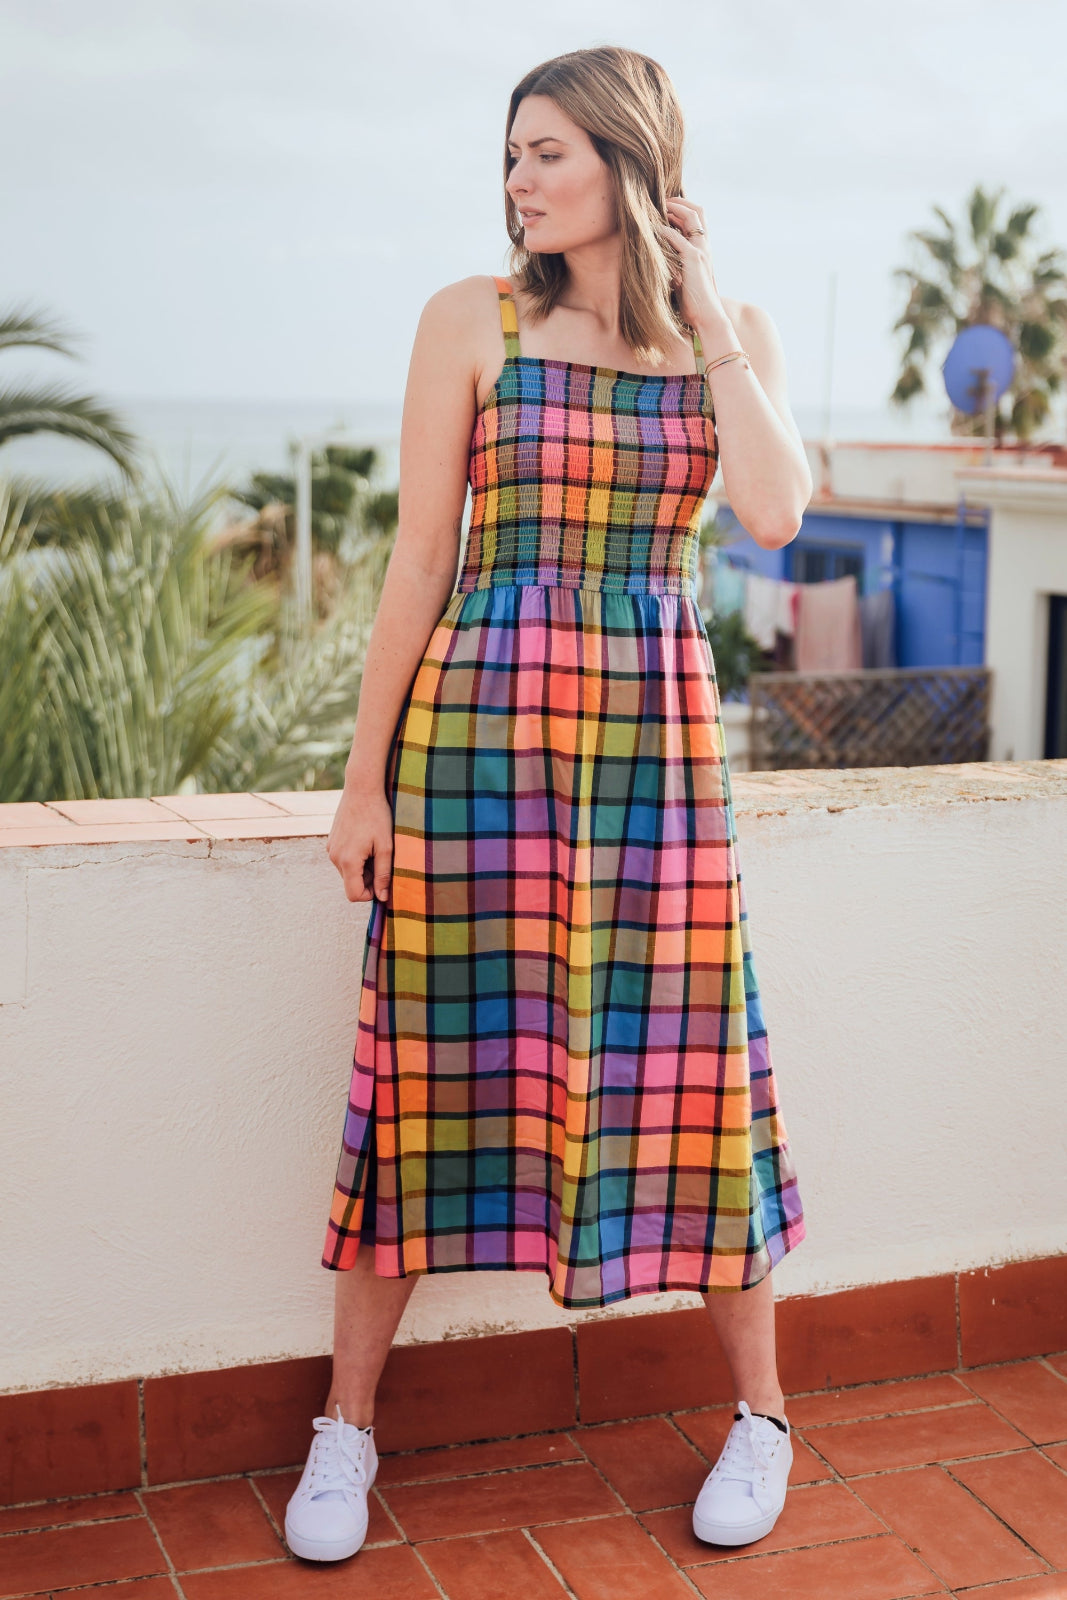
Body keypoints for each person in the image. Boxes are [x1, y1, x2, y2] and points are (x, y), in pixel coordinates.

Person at [284, 44, 812, 1567]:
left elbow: (774, 511)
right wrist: (363, 781)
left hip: (653, 763)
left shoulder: (728, 333)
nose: (518, 180)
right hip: (474, 757)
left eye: (549, 152)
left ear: (629, 164)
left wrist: (706, 311)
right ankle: (347, 1426)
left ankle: (763, 1416)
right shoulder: (474, 319)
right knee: (422, 1068)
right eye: (510, 153)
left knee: (698, 1080)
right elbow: (418, 567)